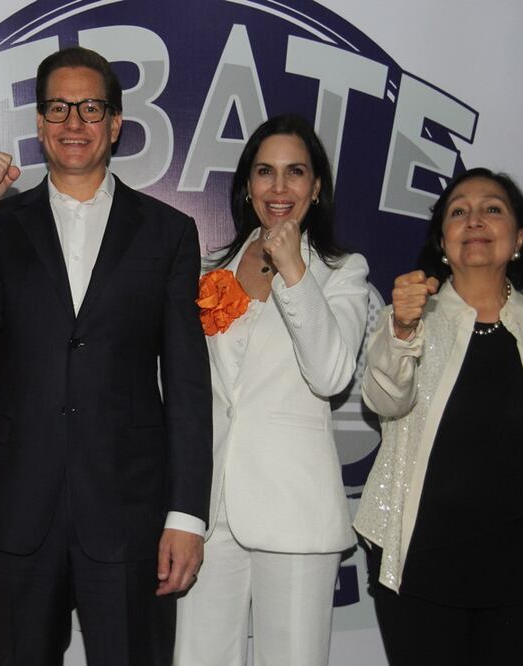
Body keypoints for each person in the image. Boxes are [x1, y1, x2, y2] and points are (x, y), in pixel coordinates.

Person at [0, 46, 212, 665]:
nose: (74, 123)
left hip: (128, 511)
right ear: (38, 123)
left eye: (91, 108)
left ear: (116, 123)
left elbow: (189, 384)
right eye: (58, 108)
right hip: (19, 507)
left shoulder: (168, 233)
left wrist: (188, 514)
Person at [355, 168, 523, 664]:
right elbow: (384, 402)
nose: (475, 219)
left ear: (519, 238)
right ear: (442, 242)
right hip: (421, 576)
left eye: (492, 208)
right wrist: (403, 329)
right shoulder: (406, 319)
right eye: (458, 211)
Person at [173, 114, 369, 665]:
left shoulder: (342, 272)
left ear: (316, 187)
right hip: (210, 514)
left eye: (295, 172)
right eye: (265, 172)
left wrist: (292, 269)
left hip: (294, 509)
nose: (279, 188)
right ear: (246, 186)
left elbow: (331, 375)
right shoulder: (212, 269)